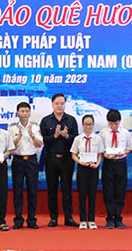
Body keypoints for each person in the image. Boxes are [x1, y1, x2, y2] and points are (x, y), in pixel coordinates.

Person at [39, 93, 79, 227]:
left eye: (62, 103)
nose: (59, 106)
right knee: (52, 189)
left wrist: (67, 136)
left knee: (67, 190)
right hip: (51, 158)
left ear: (65, 104)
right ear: (52, 104)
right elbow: (43, 140)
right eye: (57, 103)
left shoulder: (71, 120)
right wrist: (55, 136)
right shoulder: (46, 120)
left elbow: (77, 139)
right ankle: (53, 218)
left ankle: (68, 217)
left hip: (67, 159)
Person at [8, 102, 43, 229]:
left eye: (27, 111)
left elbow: (39, 145)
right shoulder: (12, 128)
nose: (24, 113)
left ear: (30, 112)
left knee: (32, 191)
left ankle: (32, 219)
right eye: (22, 111)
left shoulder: (35, 127)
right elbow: (9, 147)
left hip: (32, 161)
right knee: (17, 191)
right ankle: (18, 219)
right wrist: (19, 137)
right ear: (17, 112)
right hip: (17, 160)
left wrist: (32, 135)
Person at [100, 108, 132, 229]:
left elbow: (130, 147)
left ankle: (118, 217)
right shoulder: (103, 133)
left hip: (121, 163)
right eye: (111, 123)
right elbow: (100, 149)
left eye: (116, 123)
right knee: (108, 191)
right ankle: (109, 218)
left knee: (120, 191)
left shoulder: (125, 133)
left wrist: (124, 152)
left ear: (120, 121)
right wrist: (105, 155)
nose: (114, 126)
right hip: (108, 163)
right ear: (107, 122)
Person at [70, 115, 103, 229]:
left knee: (92, 195)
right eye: (86, 124)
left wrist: (97, 164)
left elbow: (100, 154)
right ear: (82, 125)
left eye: (90, 124)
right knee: (82, 194)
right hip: (82, 168)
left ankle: (92, 220)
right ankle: (83, 220)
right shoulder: (78, 139)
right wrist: (80, 162)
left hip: (93, 168)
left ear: (93, 125)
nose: (88, 126)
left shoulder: (98, 139)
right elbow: (73, 154)